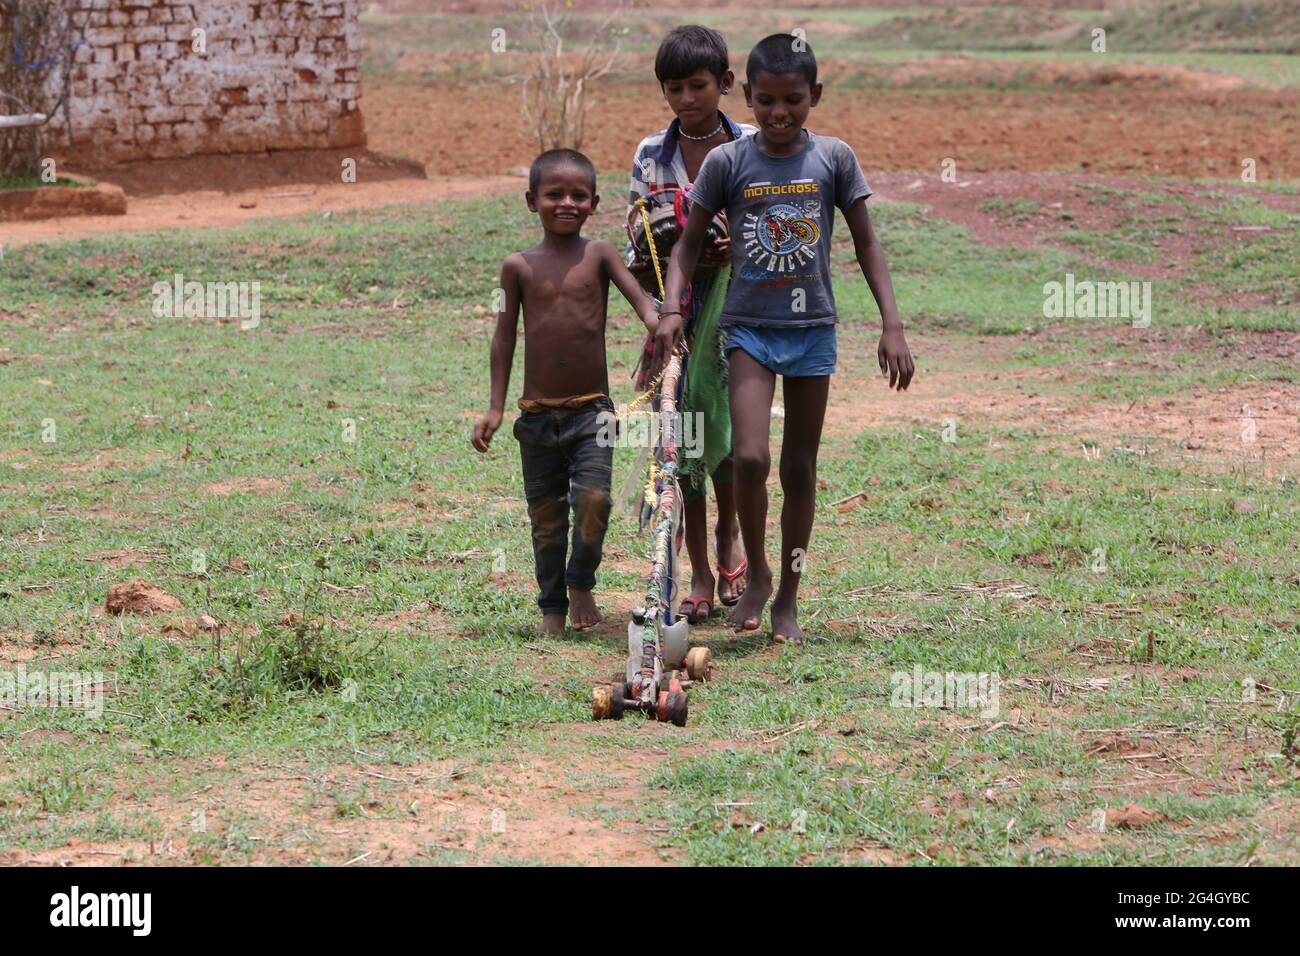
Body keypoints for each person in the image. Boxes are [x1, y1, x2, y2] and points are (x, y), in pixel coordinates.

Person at [653, 34, 915, 644]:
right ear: (746, 95)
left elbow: (867, 242)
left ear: (814, 96)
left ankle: (787, 598)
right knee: (749, 457)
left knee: (799, 468)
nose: (778, 113)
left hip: (812, 332)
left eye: (792, 101)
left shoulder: (834, 158)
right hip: (747, 328)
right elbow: (688, 244)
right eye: (765, 101)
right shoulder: (729, 163)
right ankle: (761, 571)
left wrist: (892, 322)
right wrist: (671, 308)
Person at [473, 148, 659, 635]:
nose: (567, 203)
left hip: (592, 412)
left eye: (579, 195)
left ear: (595, 202)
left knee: (595, 499)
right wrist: (495, 406)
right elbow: (504, 336)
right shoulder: (517, 267)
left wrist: (661, 324)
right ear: (531, 200)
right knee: (547, 518)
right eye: (554, 194)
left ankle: (581, 581)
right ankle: (552, 609)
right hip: (535, 418)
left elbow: (641, 302)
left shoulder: (598, 255)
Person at [626, 24, 756, 623]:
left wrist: (735, 248)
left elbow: (779, 224)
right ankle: (700, 567)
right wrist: (665, 300)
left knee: (730, 435)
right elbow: (638, 242)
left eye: (697, 86)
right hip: (677, 313)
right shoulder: (651, 154)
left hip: (744, 309)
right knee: (685, 435)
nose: (686, 99)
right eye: (673, 88)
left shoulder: (756, 144)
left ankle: (732, 534)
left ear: (726, 83)